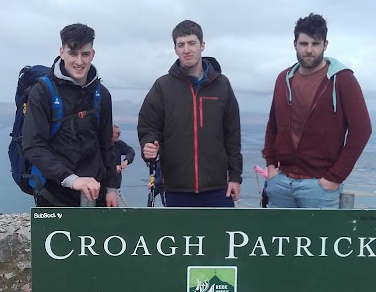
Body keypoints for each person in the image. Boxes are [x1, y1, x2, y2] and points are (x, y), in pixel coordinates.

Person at [263, 13, 372, 209]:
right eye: (304, 44)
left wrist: (334, 178)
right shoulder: (283, 79)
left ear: (325, 45)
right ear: (295, 44)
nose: (309, 50)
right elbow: (273, 124)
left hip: (319, 187)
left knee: (319, 240)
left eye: (316, 44)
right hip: (281, 183)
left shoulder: (342, 80)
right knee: (277, 239)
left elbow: (362, 130)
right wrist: (271, 165)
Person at [138, 19, 242, 207]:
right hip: (176, 188)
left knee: (219, 237)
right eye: (181, 45)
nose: (186, 49)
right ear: (175, 49)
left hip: (218, 188)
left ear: (202, 45)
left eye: (191, 43)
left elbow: (232, 135)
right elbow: (148, 127)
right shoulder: (163, 86)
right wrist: (149, 145)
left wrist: (235, 176)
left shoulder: (222, 85)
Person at [22, 23, 119, 207]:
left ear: (93, 54)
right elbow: (33, 145)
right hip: (53, 192)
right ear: (62, 52)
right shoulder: (43, 92)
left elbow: (106, 145)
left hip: (94, 192)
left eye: (85, 54)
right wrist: (71, 179)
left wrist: (112, 188)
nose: (79, 61)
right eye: (73, 53)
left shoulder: (102, 95)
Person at [112, 124, 135, 189]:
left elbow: (130, 151)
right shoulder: (102, 145)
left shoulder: (119, 144)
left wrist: (126, 161)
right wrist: (112, 168)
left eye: (120, 133)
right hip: (103, 182)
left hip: (115, 182)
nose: (119, 135)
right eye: (118, 133)